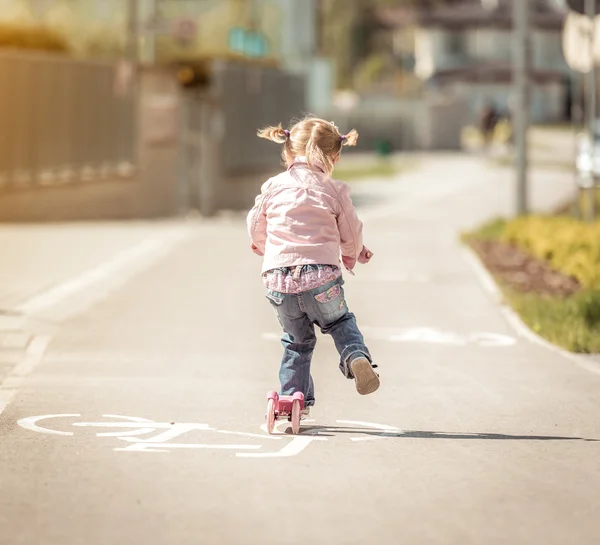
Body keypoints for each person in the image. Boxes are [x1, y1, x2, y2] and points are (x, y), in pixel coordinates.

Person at [247, 116, 379, 417]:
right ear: (335, 156)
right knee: (338, 322)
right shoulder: (335, 190)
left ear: (288, 151)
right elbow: (351, 230)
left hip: (278, 280)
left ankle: (292, 398)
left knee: (297, 341)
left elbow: (255, 224)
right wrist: (353, 254)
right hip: (320, 276)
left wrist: (267, 249)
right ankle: (355, 355)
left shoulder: (273, 186)